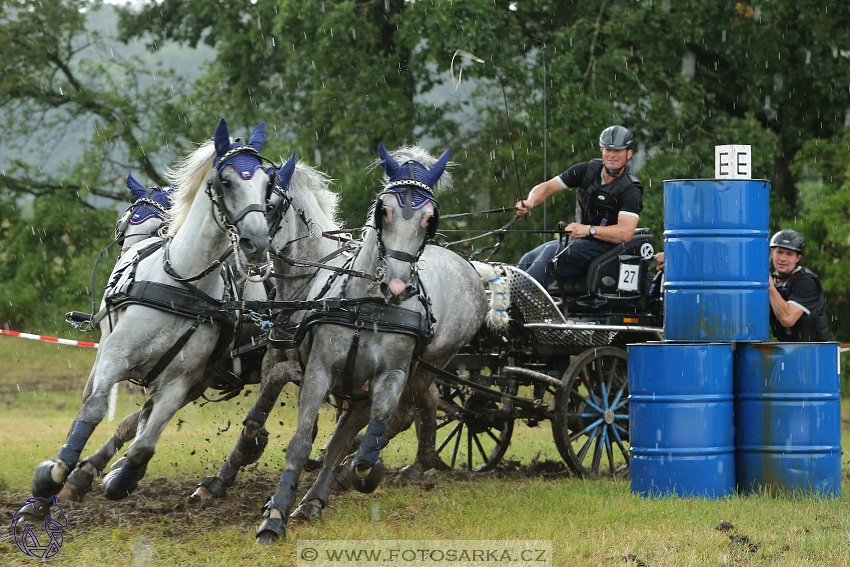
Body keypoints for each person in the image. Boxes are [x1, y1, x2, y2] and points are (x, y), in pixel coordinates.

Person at [515, 125, 643, 287]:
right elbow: (547, 188)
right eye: (608, 149)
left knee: (549, 255)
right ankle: (507, 301)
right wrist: (530, 202)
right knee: (529, 257)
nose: (612, 155)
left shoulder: (631, 189)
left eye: (617, 151)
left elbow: (625, 233)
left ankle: (517, 302)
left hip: (607, 249)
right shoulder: (587, 169)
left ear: (628, 153)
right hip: (581, 243)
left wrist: (589, 229)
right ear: (601, 151)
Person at [768, 229, 830, 341]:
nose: (783, 259)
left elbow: (787, 319)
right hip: (787, 350)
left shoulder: (806, 282)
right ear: (772, 253)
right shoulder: (771, 281)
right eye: (779, 252)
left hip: (814, 352)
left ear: (798, 258)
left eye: (789, 254)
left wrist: (770, 288)